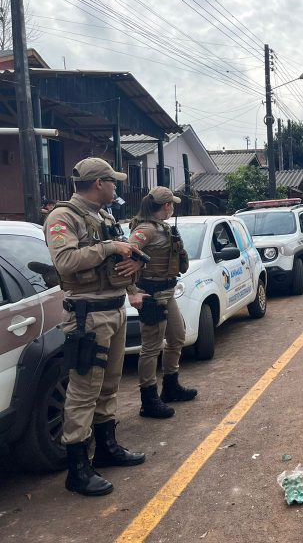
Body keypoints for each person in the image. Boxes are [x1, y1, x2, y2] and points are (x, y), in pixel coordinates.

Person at [44, 158, 147, 496]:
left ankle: (106, 448)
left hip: (113, 308)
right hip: (87, 315)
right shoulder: (63, 217)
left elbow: (115, 260)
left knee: (109, 385)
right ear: (98, 183)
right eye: (112, 181)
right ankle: (77, 468)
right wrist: (109, 247)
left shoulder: (103, 216)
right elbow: (66, 261)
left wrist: (130, 277)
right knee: (84, 390)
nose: (117, 186)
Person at [128, 187, 196, 419]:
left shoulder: (163, 227)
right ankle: (148, 399)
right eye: (171, 204)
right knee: (151, 347)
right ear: (166, 206)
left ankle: (170, 386)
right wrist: (132, 290)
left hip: (167, 290)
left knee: (177, 336)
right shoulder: (144, 230)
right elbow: (125, 256)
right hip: (151, 293)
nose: (173, 208)